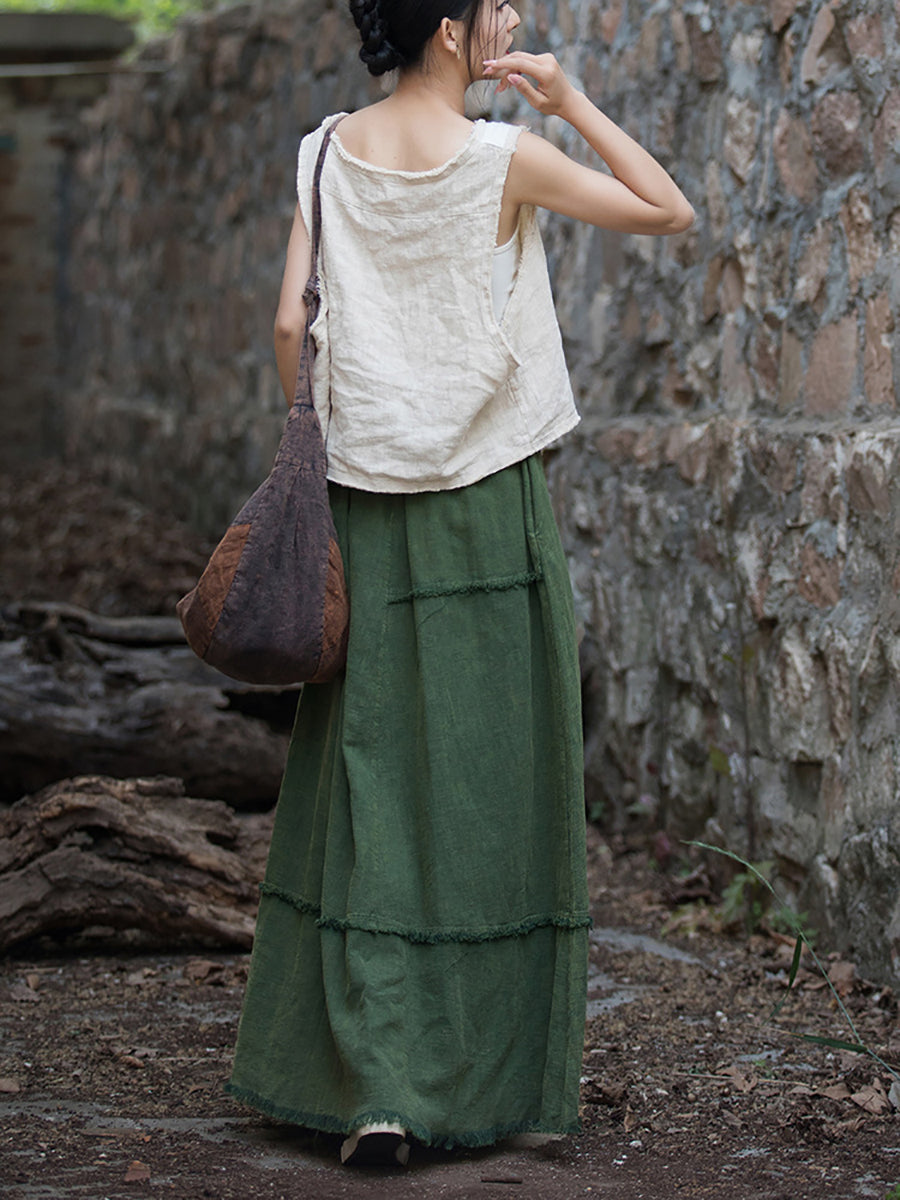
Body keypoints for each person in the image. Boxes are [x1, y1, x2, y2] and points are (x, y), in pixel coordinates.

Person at [224, 0, 693, 1169]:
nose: (517, 18)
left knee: (369, 781)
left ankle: (371, 1087)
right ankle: (476, 1072)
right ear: (450, 29)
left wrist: (360, 428)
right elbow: (668, 208)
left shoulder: (323, 153)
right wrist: (571, 99)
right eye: (498, 7)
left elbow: (292, 324)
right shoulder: (505, 157)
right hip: (489, 508)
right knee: (491, 782)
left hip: (365, 510)